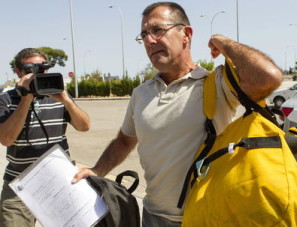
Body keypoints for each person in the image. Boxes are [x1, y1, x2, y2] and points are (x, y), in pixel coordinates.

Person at [73, 2, 282, 226]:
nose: (150, 40)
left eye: (157, 30)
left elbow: (269, 78)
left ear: (186, 34)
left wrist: (224, 42)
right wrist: (97, 170)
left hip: (207, 216)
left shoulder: (215, 83)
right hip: (153, 216)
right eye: (144, 34)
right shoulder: (141, 93)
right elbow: (124, 140)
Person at [0, 48, 90, 227]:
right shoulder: (6, 99)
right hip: (20, 185)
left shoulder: (57, 96)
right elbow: (6, 139)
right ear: (18, 71)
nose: (37, 74)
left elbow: (84, 126)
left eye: (42, 69)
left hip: (60, 181)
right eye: (31, 69)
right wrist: (26, 98)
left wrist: (66, 99)